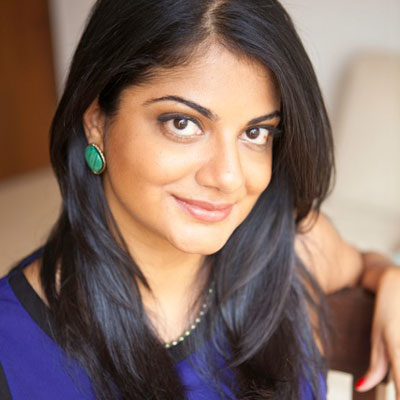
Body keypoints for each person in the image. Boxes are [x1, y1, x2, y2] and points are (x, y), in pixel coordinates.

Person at [0, 0, 399, 399]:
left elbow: (363, 265)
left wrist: (388, 277)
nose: (228, 176)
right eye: (183, 123)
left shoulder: (290, 252)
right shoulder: (10, 343)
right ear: (96, 121)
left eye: (256, 133)